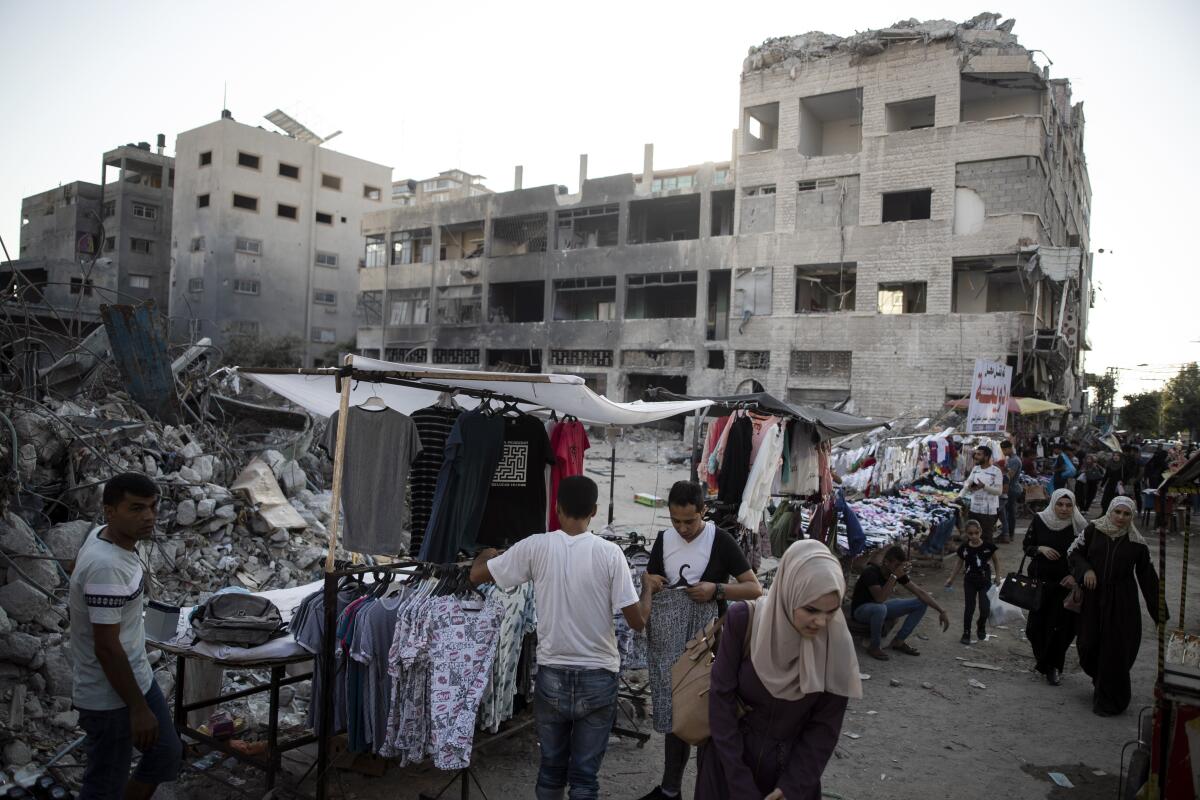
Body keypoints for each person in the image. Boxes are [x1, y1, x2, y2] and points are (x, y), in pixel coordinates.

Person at [470, 476, 649, 799]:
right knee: (584, 778)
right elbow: (636, 622)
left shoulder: (536, 546)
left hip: (552, 676)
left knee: (551, 768)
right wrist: (649, 589)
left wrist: (485, 554)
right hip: (598, 676)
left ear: (557, 507)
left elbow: (478, 575)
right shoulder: (610, 554)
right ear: (594, 510)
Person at [695, 540, 861, 800]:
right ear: (789, 593)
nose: (821, 622)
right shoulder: (745, 621)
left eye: (832, 611)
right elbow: (721, 701)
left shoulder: (835, 644)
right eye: (810, 609)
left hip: (788, 778)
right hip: (728, 768)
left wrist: (792, 787)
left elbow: (824, 727)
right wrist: (739, 783)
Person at [638, 481, 762, 800]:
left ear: (703, 511)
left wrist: (716, 590)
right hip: (669, 648)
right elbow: (653, 584)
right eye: (675, 520)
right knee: (675, 716)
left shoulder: (720, 540)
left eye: (689, 521)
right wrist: (647, 581)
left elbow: (753, 588)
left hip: (708, 648)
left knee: (706, 719)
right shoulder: (664, 540)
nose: (682, 528)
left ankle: (708, 791)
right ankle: (670, 790)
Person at [69, 473, 182, 800]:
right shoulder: (107, 568)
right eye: (135, 509)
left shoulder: (101, 537)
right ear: (110, 512)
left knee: (165, 753)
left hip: (136, 676)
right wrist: (137, 708)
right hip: (111, 695)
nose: (148, 516)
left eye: (152, 507)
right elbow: (105, 647)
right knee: (104, 786)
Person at [1069, 497, 1163, 716]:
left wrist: (1160, 614)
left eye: (1126, 514)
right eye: (1117, 512)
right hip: (1094, 597)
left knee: (1115, 649)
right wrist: (1086, 571)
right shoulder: (1094, 530)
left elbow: (1148, 578)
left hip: (1122, 600)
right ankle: (1099, 679)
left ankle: (1111, 698)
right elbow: (1074, 554)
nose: (1121, 518)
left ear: (1132, 516)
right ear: (1110, 511)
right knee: (1087, 643)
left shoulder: (1136, 542)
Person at [1022, 488, 1088, 685]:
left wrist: (1074, 577)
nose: (1064, 509)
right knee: (1034, 628)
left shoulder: (1080, 526)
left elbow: (1087, 557)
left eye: (1069, 505)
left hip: (1064, 585)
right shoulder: (1040, 520)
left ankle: (1054, 666)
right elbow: (1027, 546)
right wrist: (1040, 548)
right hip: (1040, 582)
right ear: (1053, 503)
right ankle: (1043, 661)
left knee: (1060, 628)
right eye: (1060, 504)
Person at [850, 544, 950, 661]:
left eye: (900, 566)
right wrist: (894, 576)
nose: (899, 569)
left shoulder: (895, 573)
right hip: (861, 611)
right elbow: (880, 598)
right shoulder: (871, 572)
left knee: (921, 603)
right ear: (886, 562)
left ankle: (899, 641)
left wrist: (941, 611)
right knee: (880, 608)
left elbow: (919, 592)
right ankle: (874, 646)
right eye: (896, 565)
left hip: (880, 607)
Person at [944, 520, 1000, 645]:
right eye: (970, 533)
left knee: (985, 608)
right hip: (970, 581)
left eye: (976, 533)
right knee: (969, 608)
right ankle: (966, 632)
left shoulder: (988, 546)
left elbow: (996, 561)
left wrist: (998, 576)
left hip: (985, 581)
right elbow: (959, 563)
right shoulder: (964, 548)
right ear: (966, 534)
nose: (974, 536)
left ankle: (981, 625)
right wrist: (951, 578)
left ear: (980, 531)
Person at [962, 445, 1003, 543]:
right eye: (976, 454)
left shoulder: (996, 471)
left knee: (986, 538)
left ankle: (987, 557)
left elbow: (999, 491)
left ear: (986, 457)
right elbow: (967, 483)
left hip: (988, 512)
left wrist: (984, 486)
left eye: (979, 454)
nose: (975, 456)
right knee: (972, 537)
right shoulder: (975, 469)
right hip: (974, 509)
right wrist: (965, 490)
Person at [999, 440, 1023, 544]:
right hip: (1012, 488)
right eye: (1002, 449)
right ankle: (1007, 533)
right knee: (1008, 512)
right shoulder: (1011, 459)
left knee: (1009, 512)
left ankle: (1009, 534)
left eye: (1005, 449)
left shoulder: (1014, 460)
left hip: (1011, 489)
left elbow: (1009, 476)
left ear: (1010, 448)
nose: (1003, 452)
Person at [1100, 450, 1128, 514]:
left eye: (1117, 455)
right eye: (1114, 455)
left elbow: (1127, 475)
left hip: (1118, 486)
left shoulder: (1123, 465)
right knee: (1105, 500)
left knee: (1115, 501)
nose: (1116, 457)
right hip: (1110, 484)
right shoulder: (1109, 464)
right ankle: (1104, 513)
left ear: (1120, 457)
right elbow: (1106, 475)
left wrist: (1123, 481)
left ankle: (1113, 514)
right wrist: (1102, 484)